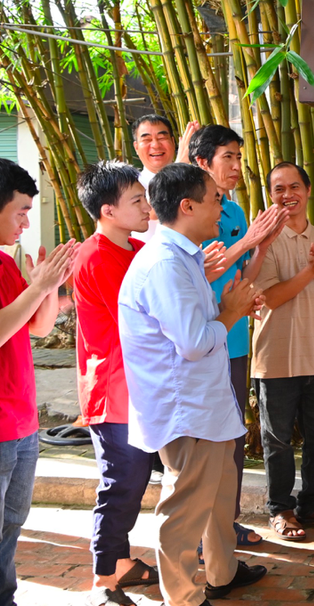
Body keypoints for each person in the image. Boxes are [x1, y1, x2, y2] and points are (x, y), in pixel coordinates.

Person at [119, 164, 267, 606]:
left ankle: (222, 572)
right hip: (187, 409)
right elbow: (194, 343)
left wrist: (226, 305)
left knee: (218, 498)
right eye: (215, 199)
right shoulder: (166, 262)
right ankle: (183, 596)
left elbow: (195, 326)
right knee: (185, 510)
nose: (221, 209)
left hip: (205, 403)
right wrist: (232, 312)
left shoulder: (183, 257)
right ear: (187, 206)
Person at [189, 125, 287, 548]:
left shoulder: (234, 210)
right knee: (202, 441)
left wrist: (262, 245)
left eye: (238, 157)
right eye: (228, 156)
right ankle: (198, 534)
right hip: (200, 338)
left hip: (236, 338)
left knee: (231, 435)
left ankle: (225, 527)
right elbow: (201, 269)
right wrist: (250, 238)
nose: (236, 166)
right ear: (202, 162)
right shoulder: (190, 208)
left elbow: (242, 270)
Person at [252, 162, 314, 542]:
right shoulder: (263, 242)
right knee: (277, 440)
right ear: (270, 195)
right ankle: (280, 508)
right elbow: (271, 298)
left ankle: (312, 501)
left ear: (308, 191)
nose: (287, 195)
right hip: (274, 358)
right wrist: (311, 272)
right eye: (278, 188)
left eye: (294, 186)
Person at [74, 162, 158, 606]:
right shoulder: (96, 256)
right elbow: (144, 317)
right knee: (122, 480)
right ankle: (104, 578)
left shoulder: (135, 248)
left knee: (135, 476)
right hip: (113, 390)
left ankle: (120, 562)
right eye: (137, 201)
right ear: (108, 210)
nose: (147, 207)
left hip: (138, 386)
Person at [0, 158, 78, 606]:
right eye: (21, 211)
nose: (27, 222)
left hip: (22, 421)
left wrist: (47, 288)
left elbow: (38, 328)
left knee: (12, 525)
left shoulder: (7, 263)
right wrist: (38, 287)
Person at [130, 115, 199, 243]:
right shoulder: (131, 184)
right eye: (147, 140)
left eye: (162, 138)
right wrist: (179, 165)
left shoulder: (193, 179)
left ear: (173, 142)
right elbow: (152, 212)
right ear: (136, 147)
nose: (155, 145)